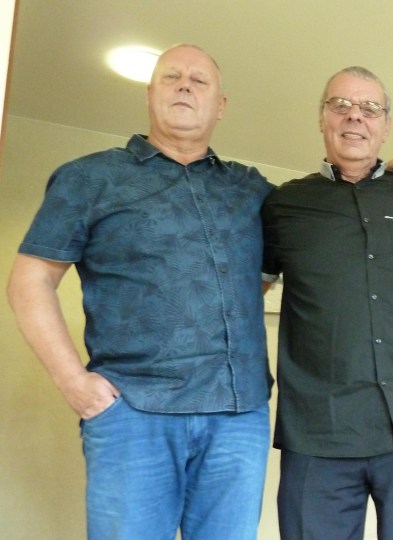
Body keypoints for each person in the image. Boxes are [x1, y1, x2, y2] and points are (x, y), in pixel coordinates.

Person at [6, 44, 271, 540]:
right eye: (172, 77)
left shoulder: (251, 190)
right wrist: (73, 383)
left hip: (239, 415)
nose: (185, 86)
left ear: (221, 105)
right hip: (134, 412)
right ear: (150, 95)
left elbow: (283, 262)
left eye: (199, 80)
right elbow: (30, 280)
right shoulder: (91, 179)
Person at [261, 66, 393, 540]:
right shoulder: (284, 205)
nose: (355, 117)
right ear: (322, 118)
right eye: (340, 105)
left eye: (370, 108)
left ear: (386, 125)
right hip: (318, 428)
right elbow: (249, 291)